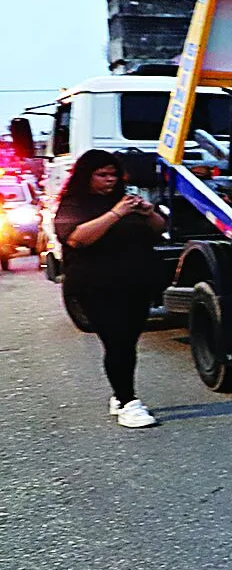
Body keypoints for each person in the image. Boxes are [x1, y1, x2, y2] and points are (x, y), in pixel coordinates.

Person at [52, 150, 165, 429]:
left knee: (128, 341)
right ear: (86, 176)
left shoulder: (125, 201)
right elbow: (77, 238)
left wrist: (148, 212)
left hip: (135, 282)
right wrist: (115, 214)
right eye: (102, 175)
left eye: (113, 174)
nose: (110, 180)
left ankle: (120, 394)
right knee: (117, 341)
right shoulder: (74, 204)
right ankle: (128, 402)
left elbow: (159, 229)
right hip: (95, 286)